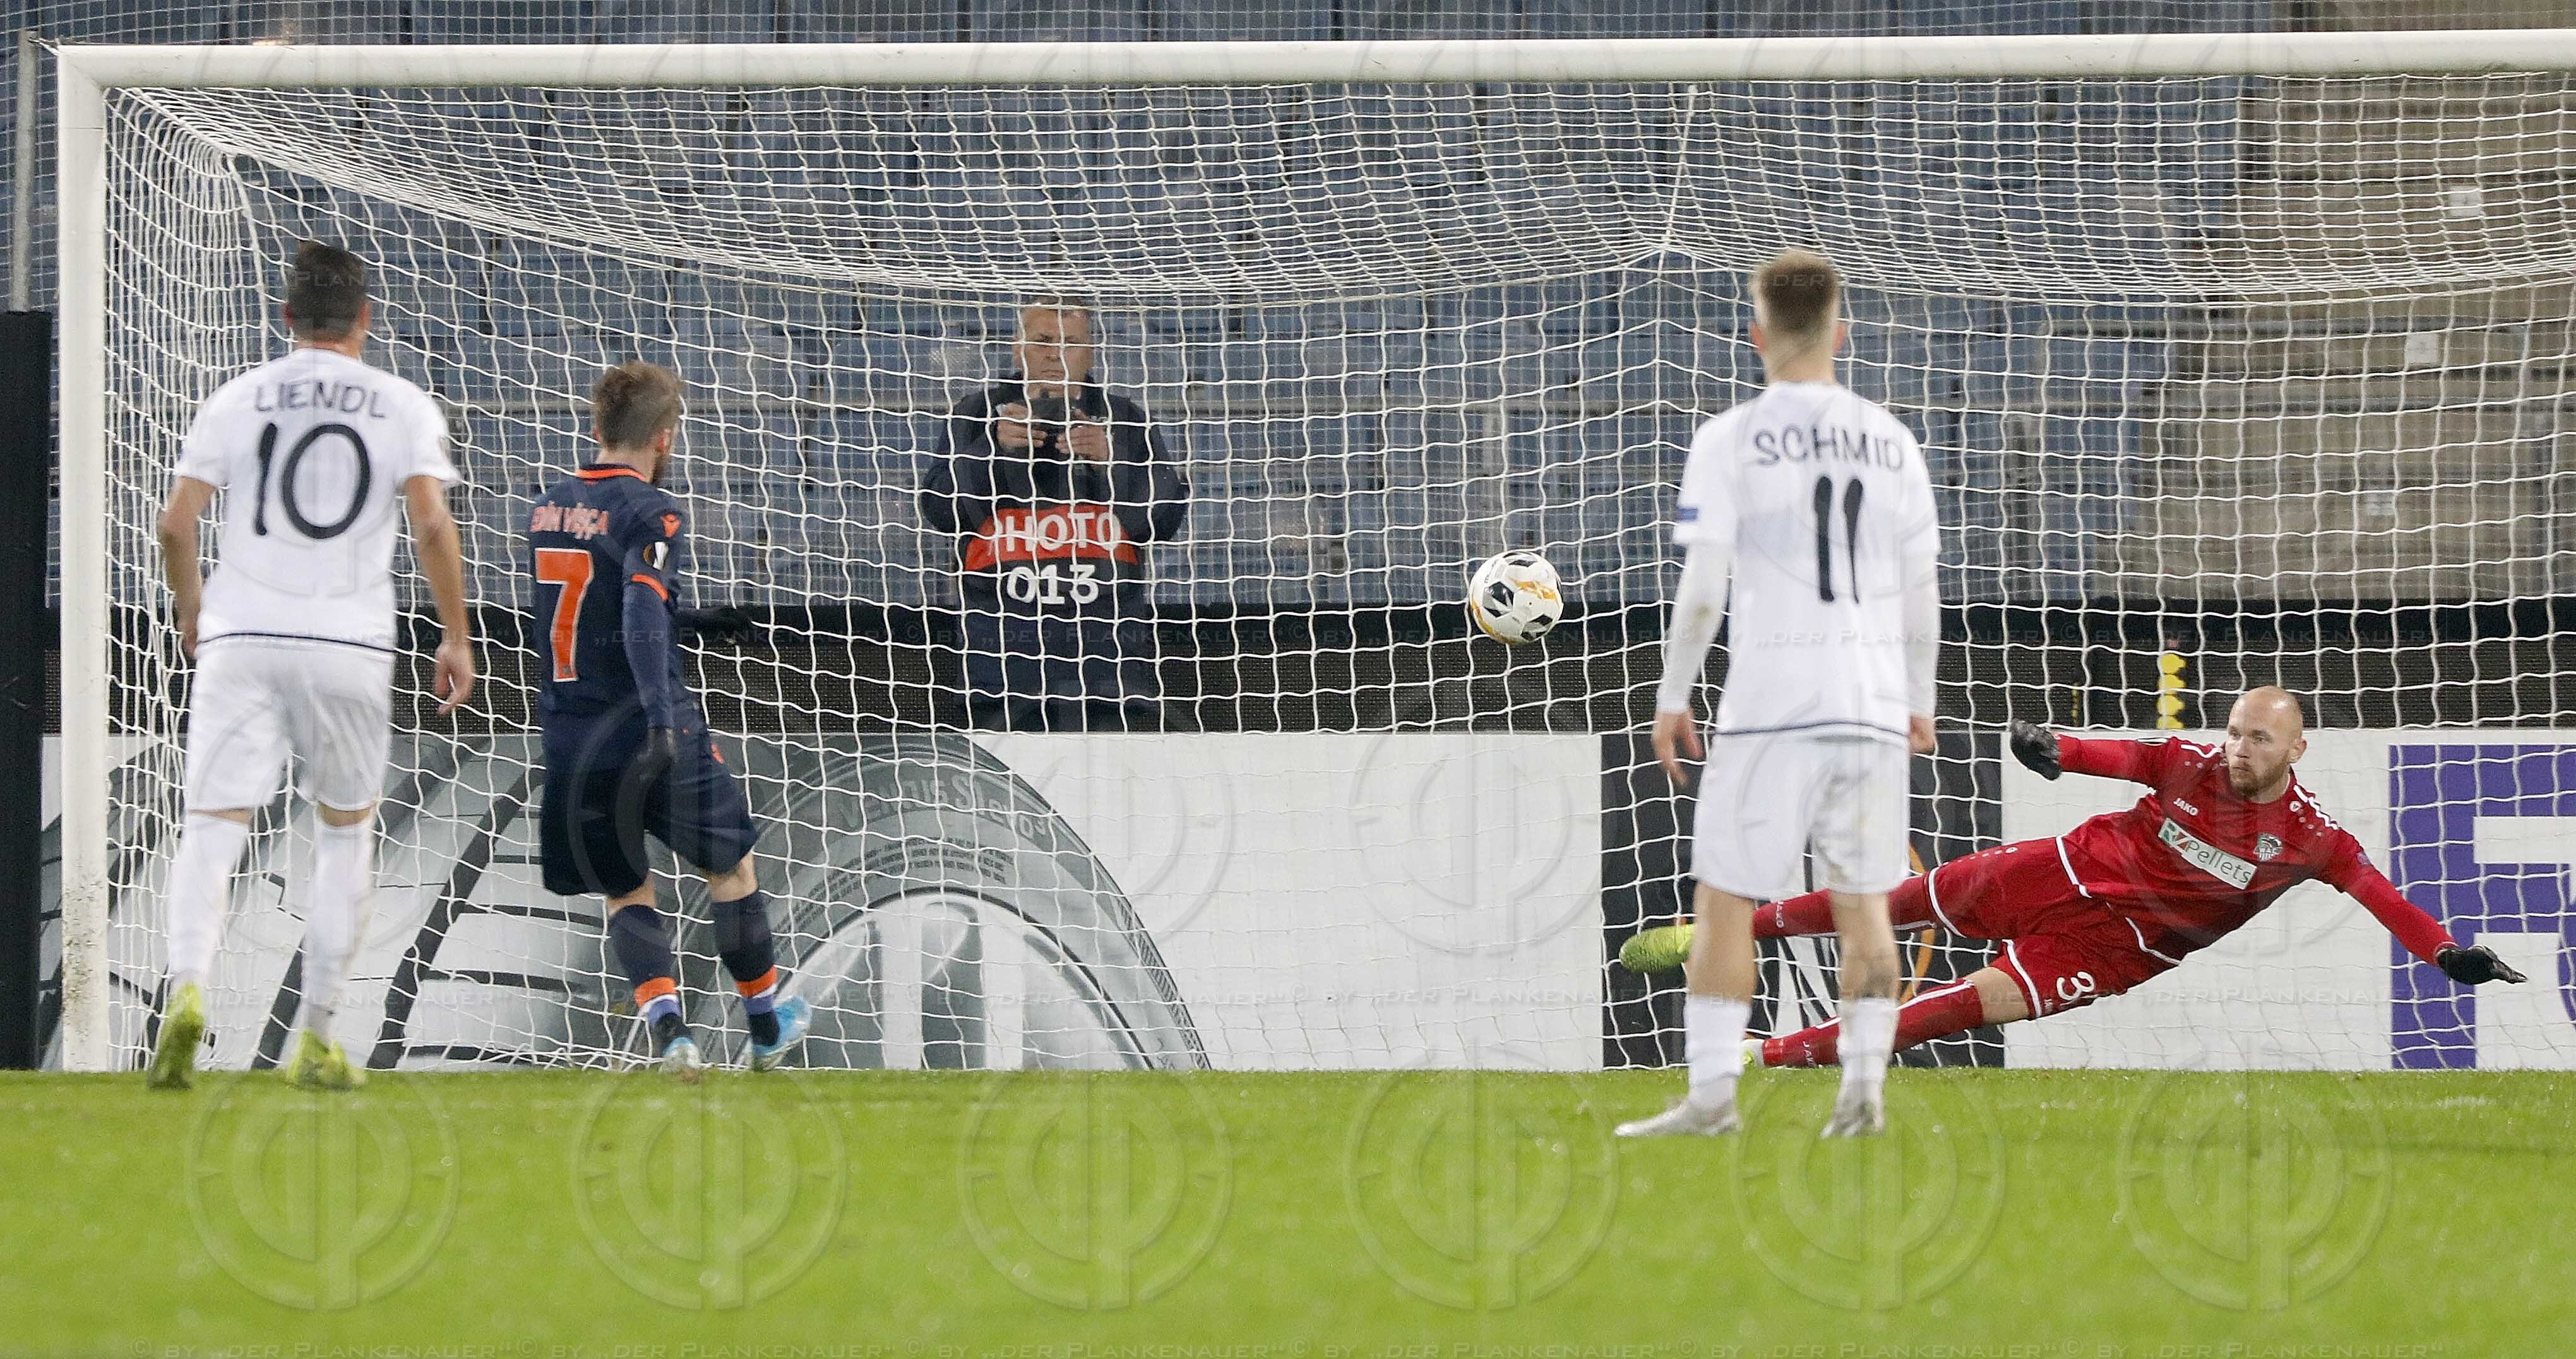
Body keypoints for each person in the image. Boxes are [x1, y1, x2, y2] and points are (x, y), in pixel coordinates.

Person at [1620, 686, 2529, 1065]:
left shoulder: (2311, 839)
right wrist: (2051, 751)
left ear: (2297, 746)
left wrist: (2449, 956)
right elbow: (2111, 754)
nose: (2238, 747)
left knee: (1952, 1008)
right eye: (2234, 730)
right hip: (2059, 870)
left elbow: (2384, 899)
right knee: (1895, 902)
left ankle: (1763, 1057)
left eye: (2258, 736)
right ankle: (1727, 932)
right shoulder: (2187, 763)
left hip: (2119, 946)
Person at [1616, 249, 1942, 1140]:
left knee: (1725, 900)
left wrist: (1674, 694)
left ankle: (1714, 1099)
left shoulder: (1731, 437)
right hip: (1871, 704)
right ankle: (1863, 1090)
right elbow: (1922, 593)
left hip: (1771, 704)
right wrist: (1920, 697)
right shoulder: (1895, 442)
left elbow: (1704, 588)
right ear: (1841, 331)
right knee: (1865, 902)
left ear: (1756, 335)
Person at [149, 240, 476, 1091]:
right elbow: (434, 526)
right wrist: (456, 634)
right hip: (347, 643)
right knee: (344, 834)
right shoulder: (401, 403)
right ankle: (317, 1033)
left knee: (214, 826)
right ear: (365, 318)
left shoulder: (238, 397)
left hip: (242, 637)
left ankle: (185, 990)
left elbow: (177, 524)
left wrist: (194, 611)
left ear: (287, 317)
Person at [527, 362, 810, 1077]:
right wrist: (661, 721)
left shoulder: (547, 508)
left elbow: (598, 609)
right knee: (731, 864)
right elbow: (637, 612)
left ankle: (673, 1037)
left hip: (570, 731)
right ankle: (767, 1026)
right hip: (648, 722)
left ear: (595, 431)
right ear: (665, 435)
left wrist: (701, 619)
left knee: (626, 888)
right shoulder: (653, 511)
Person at [919, 299, 1189, 732]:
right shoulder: (975, 413)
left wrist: (1109, 459)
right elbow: (939, 508)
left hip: (1109, 661)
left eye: (1071, 343)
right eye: (1043, 341)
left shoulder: (1127, 419)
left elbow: (1165, 518)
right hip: (1001, 660)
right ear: (1017, 348)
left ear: (1091, 352)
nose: (1055, 354)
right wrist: (994, 448)